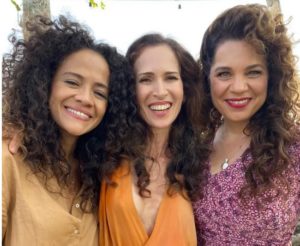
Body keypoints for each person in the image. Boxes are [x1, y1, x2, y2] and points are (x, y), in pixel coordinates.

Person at [2, 15, 130, 245]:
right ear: (44, 84)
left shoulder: (99, 172)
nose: (85, 98)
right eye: (72, 82)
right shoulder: (9, 159)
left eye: (100, 93)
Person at [193, 4, 300, 245]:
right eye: (224, 74)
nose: (239, 87)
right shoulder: (196, 150)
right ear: (208, 79)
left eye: (252, 72)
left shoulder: (293, 147)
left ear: (271, 76)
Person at [97, 33, 208, 245]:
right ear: (130, 89)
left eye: (170, 77)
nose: (160, 91)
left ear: (185, 89)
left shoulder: (199, 163)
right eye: (146, 79)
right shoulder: (103, 152)